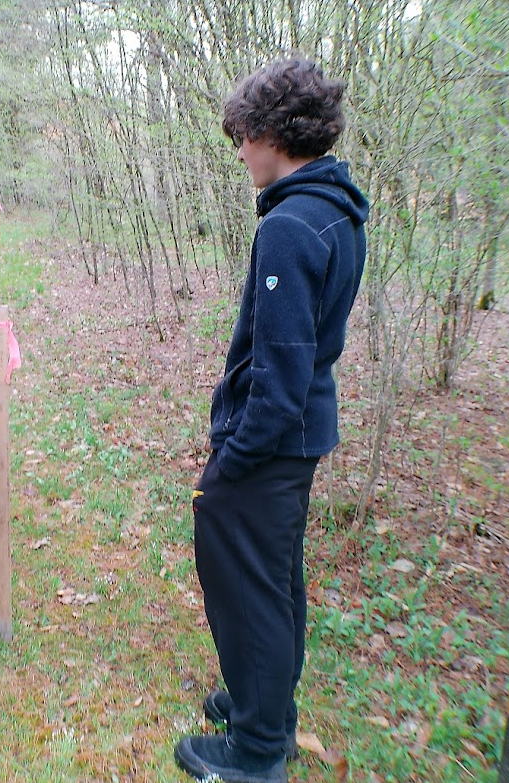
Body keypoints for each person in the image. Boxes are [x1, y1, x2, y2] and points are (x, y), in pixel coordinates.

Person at [174, 58, 369, 783]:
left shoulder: (291, 225)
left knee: (246, 584)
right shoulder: (338, 210)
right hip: (301, 438)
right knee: (278, 578)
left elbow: (281, 371)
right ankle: (265, 708)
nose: (240, 154)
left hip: (273, 440)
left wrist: (233, 456)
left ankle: (256, 753)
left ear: (270, 134)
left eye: (242, 139)